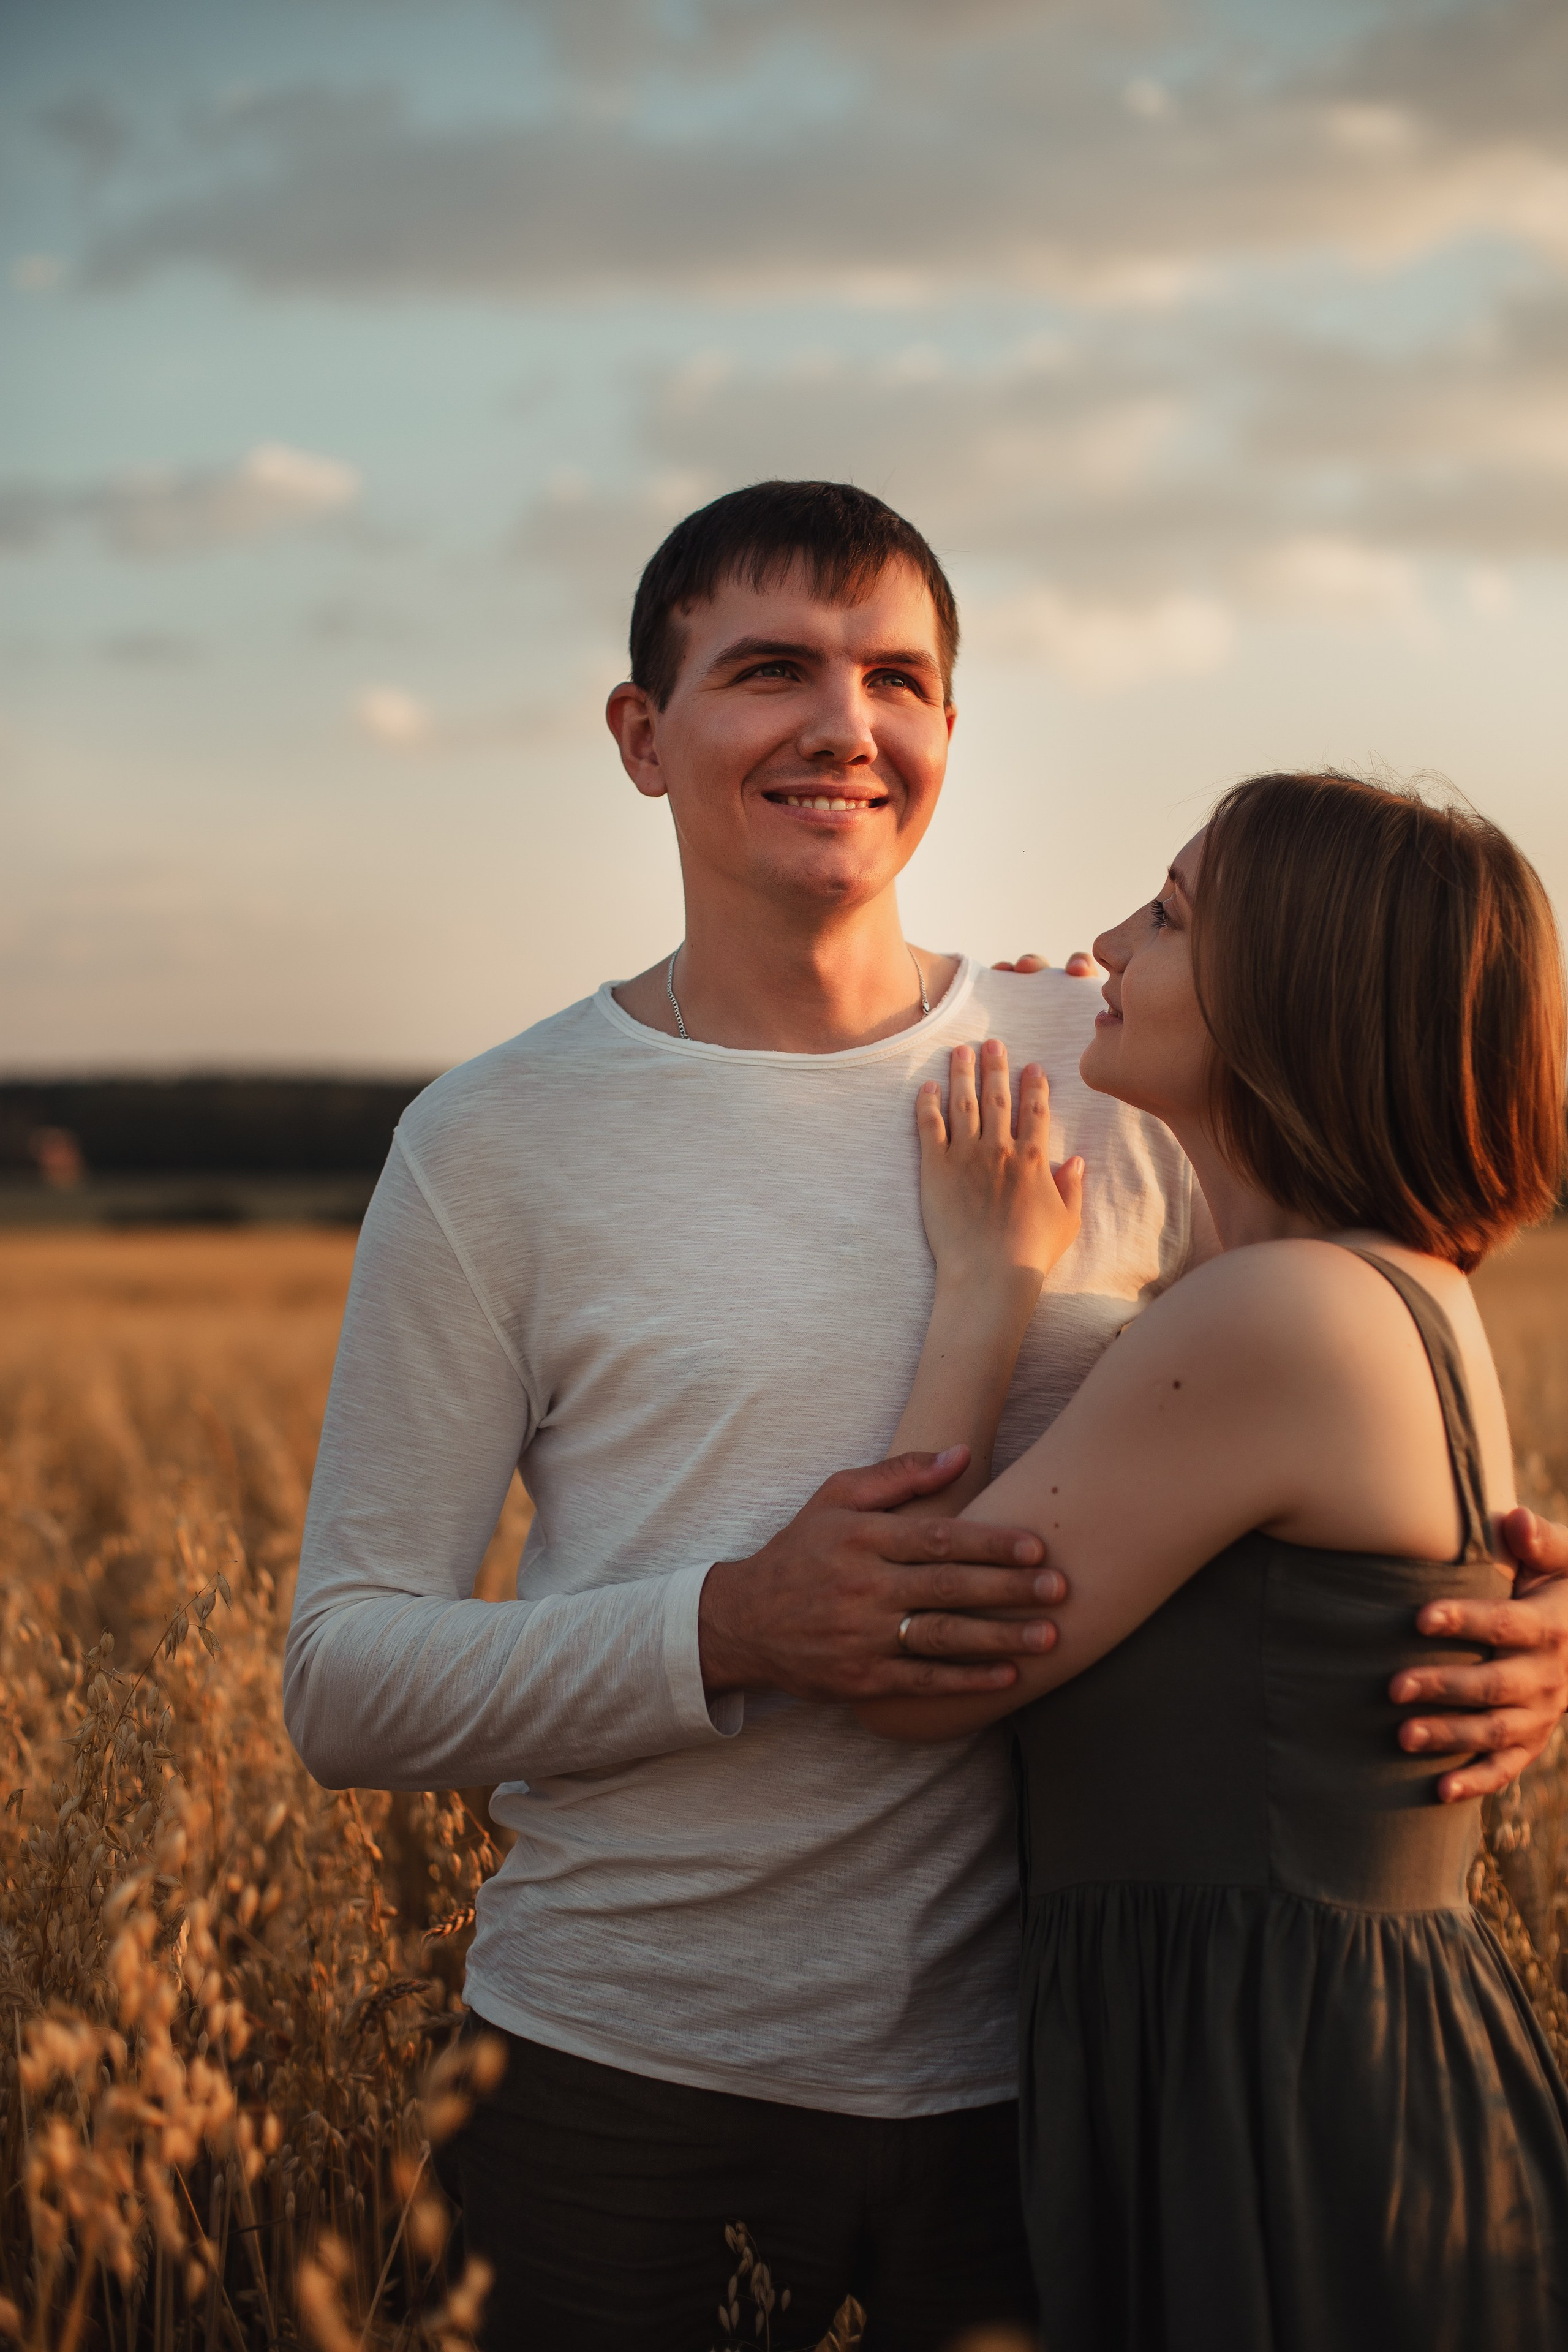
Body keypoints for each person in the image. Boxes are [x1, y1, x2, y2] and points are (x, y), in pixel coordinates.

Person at [284, 482, 1568, 2350]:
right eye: (770, 670)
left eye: (897, 678)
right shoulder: (490, 1145)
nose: (845, 724)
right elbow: (343, 1679)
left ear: (953, 730)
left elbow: (1359, 1370)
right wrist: (728, 1627)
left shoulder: (1113, 1064)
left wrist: (1488, 1616)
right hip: (623, 2075)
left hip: (1054, 2094)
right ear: (641, 735)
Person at [861, 770, 1568, 2350]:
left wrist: (986, 1289)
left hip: (1279, 2102)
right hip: (1323, 2062)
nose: (1107, 944)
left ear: (1296, 1002)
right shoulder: (1380, 1286)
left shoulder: (1277, 1317)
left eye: (1171, 917)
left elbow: (905, 1667)